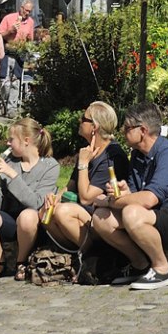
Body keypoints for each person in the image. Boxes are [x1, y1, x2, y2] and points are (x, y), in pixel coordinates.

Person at [91, 101, 168, 290]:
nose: (122, 132)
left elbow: (149, 199)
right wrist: (125, 192)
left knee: (130, 213)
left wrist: (112, 201)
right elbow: (137, 195)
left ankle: (162, 269)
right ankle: (140, 265)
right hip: (152, 216)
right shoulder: (138, 155)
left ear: (142, 130)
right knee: (100, 218)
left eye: (127, 128)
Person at [40, 101, 129, 253]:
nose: (79, 121)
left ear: (95, 127)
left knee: (63, 212)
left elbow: (87, 198)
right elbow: (71, 185)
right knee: (44, 212)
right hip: (83, 213)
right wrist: (54, 198)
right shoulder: (88, 151)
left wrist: (83, 164)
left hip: (101, 217)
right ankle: (70, 255)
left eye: (84, 118)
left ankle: (91, 257)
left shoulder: (112, 156)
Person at [0, 117, 61, 280]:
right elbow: (0, 208)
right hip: (10, 219)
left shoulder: (50, 166)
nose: (8, 143)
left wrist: (11, 174)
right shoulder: (11, 162)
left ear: (26, 141)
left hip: (33, 224)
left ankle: (21, 261)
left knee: (27, 216)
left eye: (11, 139)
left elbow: (36, 203)